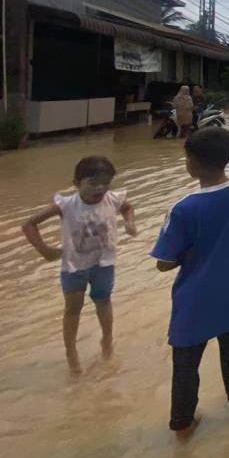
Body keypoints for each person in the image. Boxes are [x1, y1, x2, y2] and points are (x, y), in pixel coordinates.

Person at [151, 127, 229, 440]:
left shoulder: (184, 209)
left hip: (194, 301)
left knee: (186, 362)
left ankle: (183, 424)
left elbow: (164, 263)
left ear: (194, 163)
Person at [21, 156, 137, 373]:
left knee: (103, 302)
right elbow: (28, 225)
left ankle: (107, 344)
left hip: (104, 264)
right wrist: (44, 250)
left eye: (105, 182)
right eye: (93, 183)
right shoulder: (66, 205)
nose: (100, 188)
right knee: (73, 310)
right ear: (77, 183)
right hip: (74, 267)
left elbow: (127, 208)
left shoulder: (112, 199)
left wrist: (129, 224)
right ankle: (71, 353)